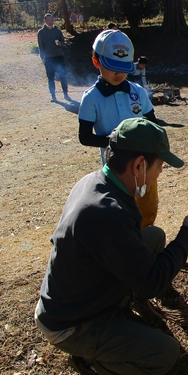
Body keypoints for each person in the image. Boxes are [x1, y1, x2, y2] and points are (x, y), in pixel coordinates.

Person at [35, 117, 188, 375]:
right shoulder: (108, 213)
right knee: (164, 354)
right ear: (139, 165)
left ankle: (124, 309)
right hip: (72, 322)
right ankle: (94, 363)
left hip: (76, 294)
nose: (158, 175)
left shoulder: (95, 181)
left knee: (152, 236)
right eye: (160, 167)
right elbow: (152, 284)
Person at [78, 29, 159, 227]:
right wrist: (116, 141)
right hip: (116, 167)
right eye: (112, 67)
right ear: (97, 62)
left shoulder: (137, 92)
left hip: (144, 164)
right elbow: (84, 136)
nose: (119, 73)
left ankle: (145, 237)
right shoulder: (91, 98)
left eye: (123, 68)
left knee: (147, 205)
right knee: (121, 207)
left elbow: (152, 122)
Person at [37, 13, 69, 102]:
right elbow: (41, 46)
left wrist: (60, 44)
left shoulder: (58, 31)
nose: (50, 22)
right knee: (51, 78)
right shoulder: (41, 33)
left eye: (52, 20)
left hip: (59, 56)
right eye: (48, 20)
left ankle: (66, 94)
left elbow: (64, 44)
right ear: (45, 21)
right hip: (48, 58)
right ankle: (53, 96)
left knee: (63, 76)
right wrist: (42, 58)